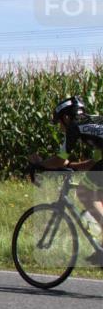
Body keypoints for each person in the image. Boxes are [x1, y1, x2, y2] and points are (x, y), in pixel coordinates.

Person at [29, 96, 103, 266]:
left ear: (67, 117)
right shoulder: (93, 125)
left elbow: (60, 160)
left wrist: (41, 164)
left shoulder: (75, 127)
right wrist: (73, 166)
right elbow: (94, 163)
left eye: (60, 123)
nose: (61, 128)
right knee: (97, 196)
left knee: (84, 192)